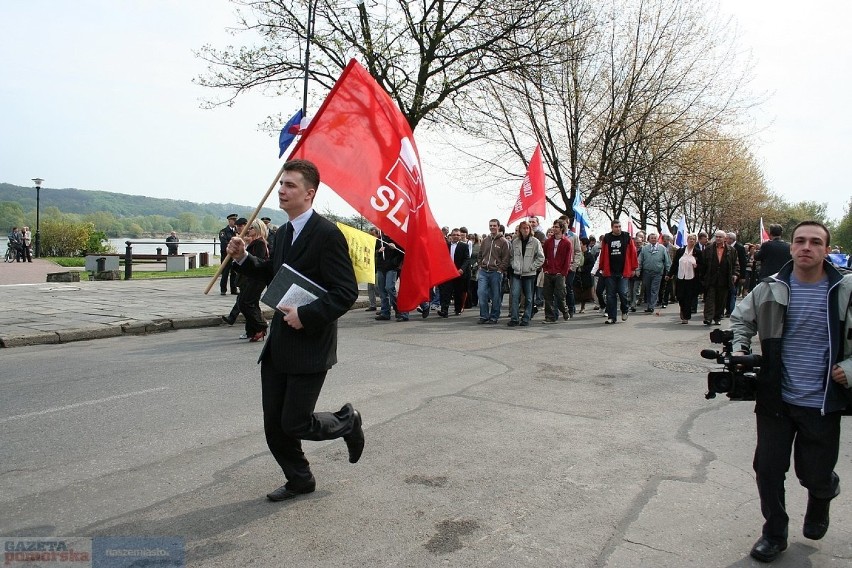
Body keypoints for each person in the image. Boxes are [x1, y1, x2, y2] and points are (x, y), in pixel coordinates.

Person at [227, 159, 363, 502]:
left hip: (310, 344)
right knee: (274, 425)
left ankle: (347, 421)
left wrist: (308, 314)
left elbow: (345, 292)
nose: (282, 190)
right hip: (279, 343)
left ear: (309, 193)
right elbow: (275, 274)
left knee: (296, 423)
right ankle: (300, 478)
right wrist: (244, 259)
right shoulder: (284, 232)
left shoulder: (328, 234)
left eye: (289, 185)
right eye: (281, 184)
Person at [729, 220, 852, 562]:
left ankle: (822, 492)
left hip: (823, 402)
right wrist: (740, 348)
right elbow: (740, 319)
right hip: (776, 398)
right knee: (767, 469)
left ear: (827, 250)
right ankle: (774, 533)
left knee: (812, 473)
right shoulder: (770, 287)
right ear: (792, 246)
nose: (806, 247)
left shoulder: (845, 290)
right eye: (800, 241)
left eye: (815, 242)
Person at [599, 220, 638, 324]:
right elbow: (602, 253)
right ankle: (612, 317)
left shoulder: (626, 237)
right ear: (612, 227)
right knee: (610, 295)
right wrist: (602, 267)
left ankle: (625, 310)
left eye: (620, 226)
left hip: (623, 271)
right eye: (616, 227)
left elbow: (633, 253)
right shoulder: (607, 238)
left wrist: (633, 268)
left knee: (622, 292)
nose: (618, 228)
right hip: (610, 271)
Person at [236, 219, 269, 342]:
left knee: (246, 302)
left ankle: (261, 326)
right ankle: (253, 330)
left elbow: (258, 261)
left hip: (257, 278)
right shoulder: (254, 242)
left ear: (258, 229)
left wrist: (245, 255)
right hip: (252, 277)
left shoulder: (260, 243)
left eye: (251, 228)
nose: (248, 230)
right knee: (249, 302)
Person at [507, 220, 544, 327]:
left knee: (528, 297)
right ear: (520, 230)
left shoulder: (535, 241)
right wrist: (514, 265)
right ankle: (514, 318)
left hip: (529, 274)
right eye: (523, 228)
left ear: (530, 229)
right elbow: (511, 256)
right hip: (517, 273)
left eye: (527, 228)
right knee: (515, 296)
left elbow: (541, 257)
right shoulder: (515, 242)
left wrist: (532, 267)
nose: (526, 230)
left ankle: (526, 317)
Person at [476, 219, 510, 324]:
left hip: (496, 272)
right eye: (490, 225)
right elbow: (480, 254)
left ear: (498, 227)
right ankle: (484, 316)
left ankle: (494, 316)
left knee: (496, 295)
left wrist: (500, 269)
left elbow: (506, 258)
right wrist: (481, 264)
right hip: (484, 271)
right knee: (481, 293)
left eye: (494, 225)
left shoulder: (504, 242)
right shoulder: (485, 240)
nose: (492, 227)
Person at [702, 230, 738, 326]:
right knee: (710, 298)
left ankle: (717, 317)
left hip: (724, 279)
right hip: (711, 278)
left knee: (721, 300)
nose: (718, 238)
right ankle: (708, 318)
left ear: (725, 239)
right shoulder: (708, 249)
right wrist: (703, 277)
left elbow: (735, 264)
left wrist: (735, 274)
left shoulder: (731, 250)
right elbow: (703, 264)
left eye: (720, 237)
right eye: (716, 237)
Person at [667, 234, 703, 324]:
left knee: (689, 297)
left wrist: (697, 266)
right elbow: (675, 264)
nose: (692, 241)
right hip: (680, 277)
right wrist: (670, 274)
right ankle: (682, 310)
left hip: (692, 279)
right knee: (680, 296)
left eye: (694, 239)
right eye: (690, 239)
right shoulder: (680, 251)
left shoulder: (698, 252)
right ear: (687, 240)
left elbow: (703, 266)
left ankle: (686, 316)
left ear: (696, 241)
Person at [541, 221, 572, 323]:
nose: (554, 229)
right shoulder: (548, 242)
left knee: (560, 295)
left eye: (557, 227)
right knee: (548, 296)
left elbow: (567, 259)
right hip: (549, 272)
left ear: (562, 229)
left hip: (559, 273)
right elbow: (543, 256)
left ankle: (565, 310)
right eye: (553, 227)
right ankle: (550, 317)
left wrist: (563, 272)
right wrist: (545, 269)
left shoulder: (567, 242)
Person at [437, 228, 471, 317]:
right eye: (454, 235)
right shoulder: (445, 245)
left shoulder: (464, 246)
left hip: (458, 273)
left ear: (460, 236)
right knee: (446, 292)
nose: (456, 236)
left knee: (458, 292)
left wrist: (462, 269)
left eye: (458, 235)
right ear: (451, 236)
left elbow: (467, 259)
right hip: (448, 273)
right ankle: (444, 310)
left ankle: (458, 309)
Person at [374, 233, 405, 321]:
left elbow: (403, 252)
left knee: (389, 288)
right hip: (381, 267)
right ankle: (385, 312)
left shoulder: (397, 238)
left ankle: (397, 309)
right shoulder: (379, 239)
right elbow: (373, 251)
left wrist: (395, 248)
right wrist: (378, 251)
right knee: (382, 291)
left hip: (392, 268)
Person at [637, 233, 671, 313]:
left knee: (654, 289)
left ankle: (652, 306)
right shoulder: (644, 249)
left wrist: (668, 272)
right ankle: (649, 304)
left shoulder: (662, 249)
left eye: (655, 238)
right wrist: (638, 269)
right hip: (647, 272)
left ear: (657, 239)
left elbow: (667, 261)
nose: (653, 239)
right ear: (649, 239)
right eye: (651, 238)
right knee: (648, 289)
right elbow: (640, 260)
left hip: (657, 273)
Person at [573, 237, 595, 313]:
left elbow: (591, 265)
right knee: (576, 292)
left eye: (581, 243)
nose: (579, 244)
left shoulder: (589, 255)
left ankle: (583, 307)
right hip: (577, 276)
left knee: (584, 294)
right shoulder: (576, 254)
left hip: (585, 277)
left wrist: (582, 269)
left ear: (585, 245)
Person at [219, 214, 239, 295]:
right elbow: (224, 243)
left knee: (234, 273)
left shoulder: (237, 232)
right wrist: (233, 247)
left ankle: (233, 289)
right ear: (229, 220)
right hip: (226, 255)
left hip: (234, 256)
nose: (234, 222)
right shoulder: (223, 231)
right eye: (233, 220)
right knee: (225, 273)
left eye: (235, 220)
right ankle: (223, 289)